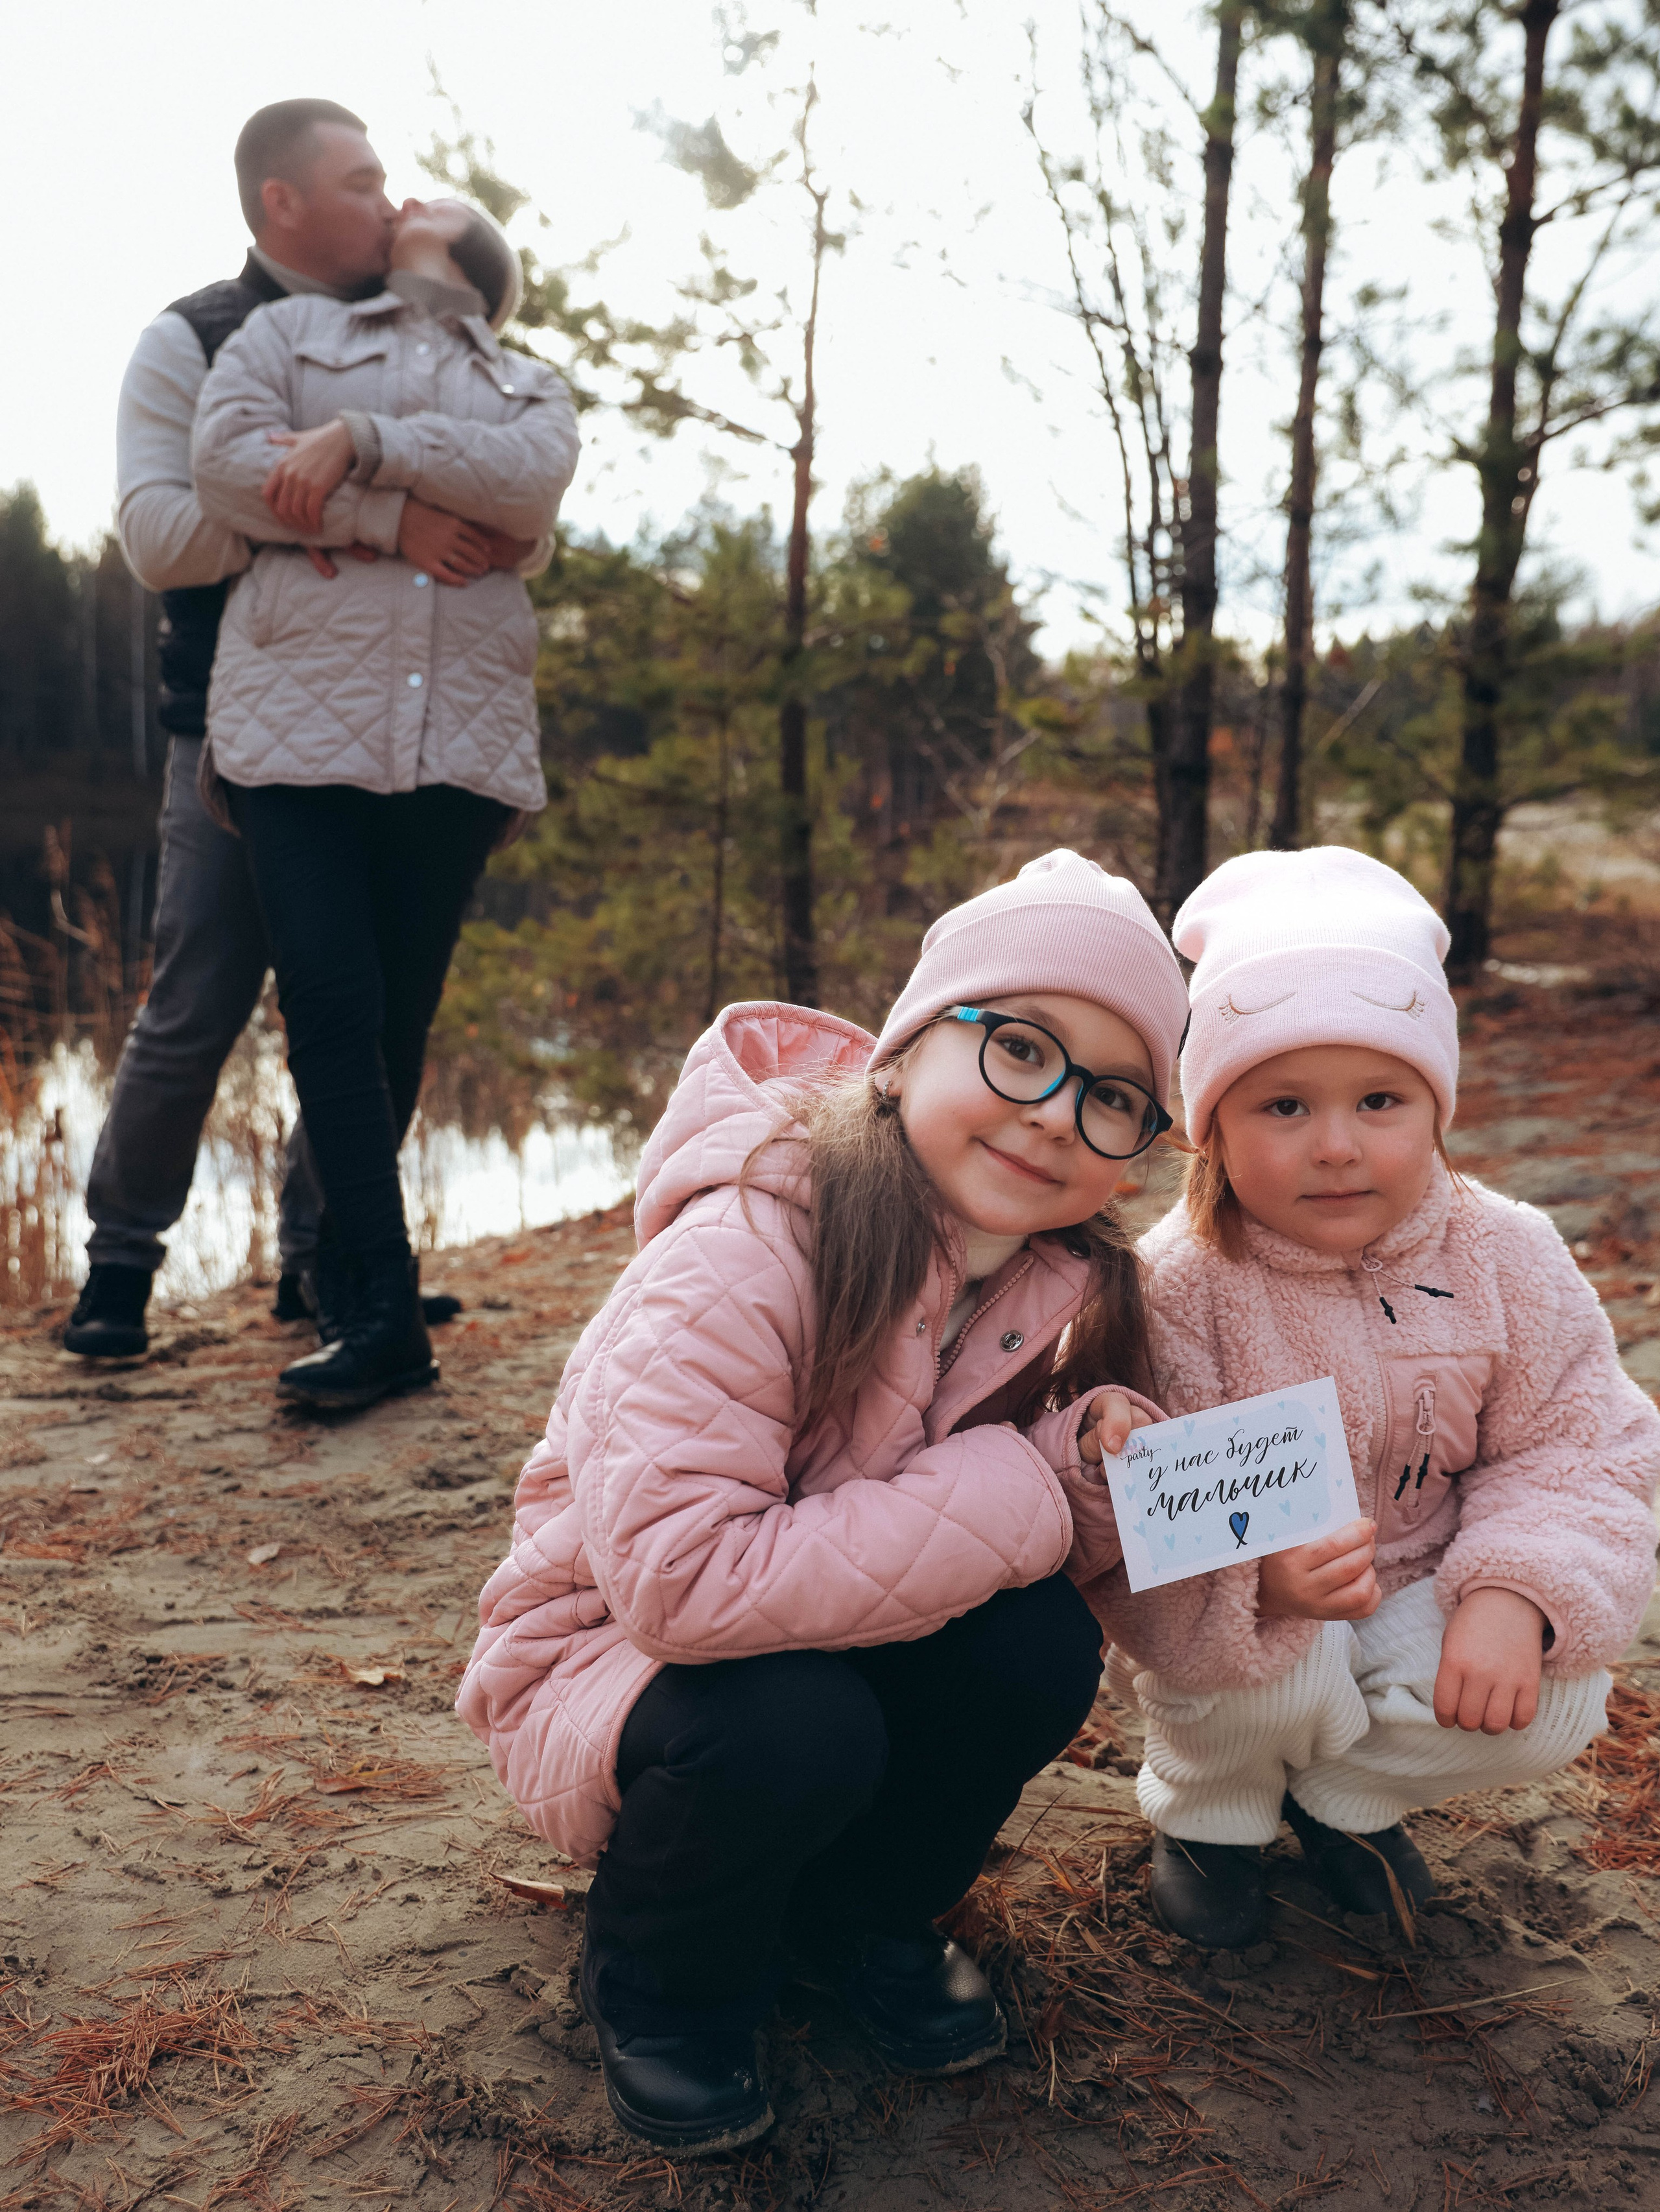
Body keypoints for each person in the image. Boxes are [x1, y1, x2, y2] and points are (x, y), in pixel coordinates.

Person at [458, 851, 1191, 2158]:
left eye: (1113, 1096)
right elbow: (684, 1581)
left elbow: (979, 1526)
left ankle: (857, 1917)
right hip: (618, 1659)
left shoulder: (1035, 1280)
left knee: (1036, 1645)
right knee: (793, 1727)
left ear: (1131, 1153)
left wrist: (1083, 1466)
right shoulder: (744, 1245)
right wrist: (1022, 1484)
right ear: (907, 1051)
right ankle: (665, 1986)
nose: (1051, 1113)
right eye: (1020, 1048)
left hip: (823, 1636)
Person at [1099, 848, 1660, 1951]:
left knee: (1560, 1693)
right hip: (1250, 1623)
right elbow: (1136, 1520)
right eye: (1285, 1105)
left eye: (1381, 1098)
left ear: (1436, 1105)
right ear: (1210, 1124)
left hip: (1424, 1586)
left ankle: (1343, 1802)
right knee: (1269, 1674)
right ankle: (1213, 1819)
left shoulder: (1509, 1253)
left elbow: (1581, 1443)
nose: (1341, 1145)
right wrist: (1257, 1580)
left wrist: (1516, 1590)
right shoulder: (1174, 1287)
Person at [65, 97, 455, 1360]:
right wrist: (348, 507)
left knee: (373, 1011)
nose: (391, 203)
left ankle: (328, 1263)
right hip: (236, 740)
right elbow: (160, 536)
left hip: (404, 739)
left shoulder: (418, 336)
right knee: (202, 998)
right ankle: (119, 1269)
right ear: (279, 201)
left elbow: (494, 509)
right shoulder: (190, 338)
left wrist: (343, 481)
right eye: (362, 179)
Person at [190, 194, 580, 1412]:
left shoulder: (525, 379)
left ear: (477, 256)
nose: (407, 194)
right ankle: (384, 1315)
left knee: (395, 1022)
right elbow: (225, 472)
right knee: (325, 1004)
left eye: (436, 195)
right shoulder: (287, 334)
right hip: (290, 731)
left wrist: (359, 439)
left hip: (458, 743)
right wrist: (398, 518)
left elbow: (532, 487)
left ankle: (348, 1272)